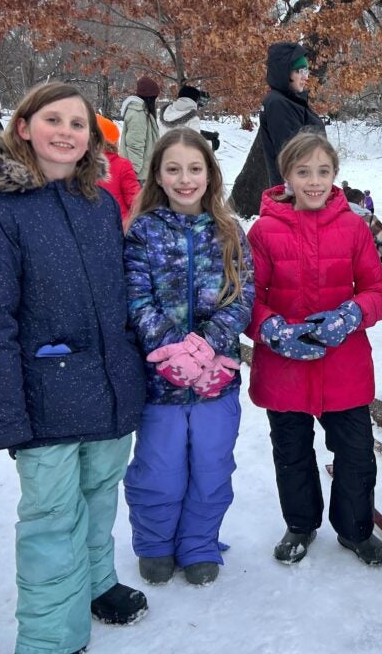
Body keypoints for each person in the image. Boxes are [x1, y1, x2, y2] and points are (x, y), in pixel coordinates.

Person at [0, 83, 149, 654]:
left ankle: (96, 583)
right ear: (24, 127)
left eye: (78, 123)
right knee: (49, 518)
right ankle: (49, 640)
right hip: (45, 396)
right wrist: (5, 416)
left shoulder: (99, 206)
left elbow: (120, 296)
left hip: (109, 389)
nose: (66, 131)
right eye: (54, 119)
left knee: (99, 495)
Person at [246, 132, 382, 567]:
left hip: (342, 363)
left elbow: (376, 288)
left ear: (335, 176)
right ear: (287, 175)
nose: (314, 182)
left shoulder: (352, 226)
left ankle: (355, 529)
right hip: (284, 365)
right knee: (291, 451)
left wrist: (350, 314)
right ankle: (300, 523)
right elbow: (248, 295)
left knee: (355, 453)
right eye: (303, 172)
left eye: (323, 172)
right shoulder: (265, 230)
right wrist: (272, 329)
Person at [124, 128, 255, 588]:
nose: (185, 179)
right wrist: (170, 351)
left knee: (213, 464)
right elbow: (137, 299)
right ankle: (156, 542)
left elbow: (242, 297)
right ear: (158, 175)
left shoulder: (229, 231)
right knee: (159, 468)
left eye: (194, 169)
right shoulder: (142, 231)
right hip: (160, 383)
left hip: (217, 378)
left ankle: (199, 541)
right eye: (174, 169)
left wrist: (206, 348)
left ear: (210, 174)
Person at [258, 43, 324, 186]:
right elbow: (293, 156)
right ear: (285, 72)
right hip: (296, 195)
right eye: (300, 71)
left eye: (306, 72)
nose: (305, 77)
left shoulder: (291, 102)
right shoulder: (278, 104)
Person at [95, 114, 140, 223]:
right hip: (119, 224)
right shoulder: (122, 165)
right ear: (114, 142)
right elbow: (135, 199)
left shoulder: (78, 165)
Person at [345, 186, 382, 271]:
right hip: (365, 263)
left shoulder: (335, 217)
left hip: (342, 262)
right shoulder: (369, 219)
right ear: (361, 202)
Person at [119, 76, 161, 183]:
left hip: (143, 173)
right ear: (150, 98)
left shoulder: (142, 112)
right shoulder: (138, 114)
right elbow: (135, 145)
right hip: (139, 175)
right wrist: (134, 172)